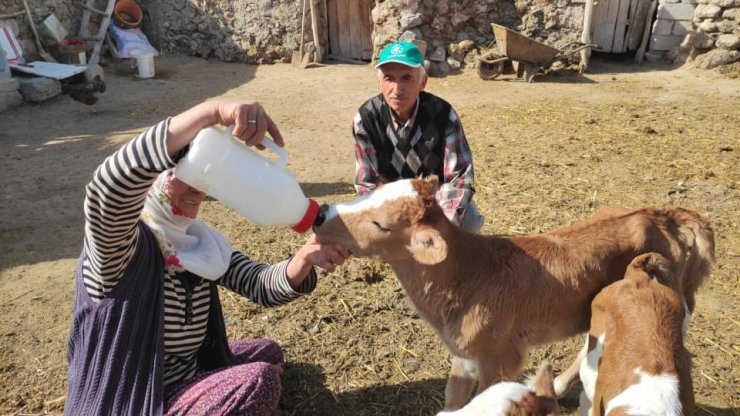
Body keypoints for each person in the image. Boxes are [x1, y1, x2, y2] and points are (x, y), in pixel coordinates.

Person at [64, 98, 350, 416]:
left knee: (266, 352)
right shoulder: (118, 249)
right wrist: (212, 112)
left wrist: (305, 259)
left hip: (184, 378)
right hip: (133, 399)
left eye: (204, 178)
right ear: (153, 178)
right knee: (258, 381)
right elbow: (108, 188)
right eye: (184, 173)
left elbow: (259, 284)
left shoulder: (198, 243)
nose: (196, 189)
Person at [352, 41, 484, 232]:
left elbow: (459, 180)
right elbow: (367, 184)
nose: (397, 89)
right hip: (391, 205)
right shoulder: (366, 120)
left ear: (423, 82)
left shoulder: (444, 116)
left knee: (470, 221)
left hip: (434, 202)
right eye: (389, 78)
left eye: (406, 78)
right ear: (380, 82)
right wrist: (391, 225)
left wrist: (441, 227)